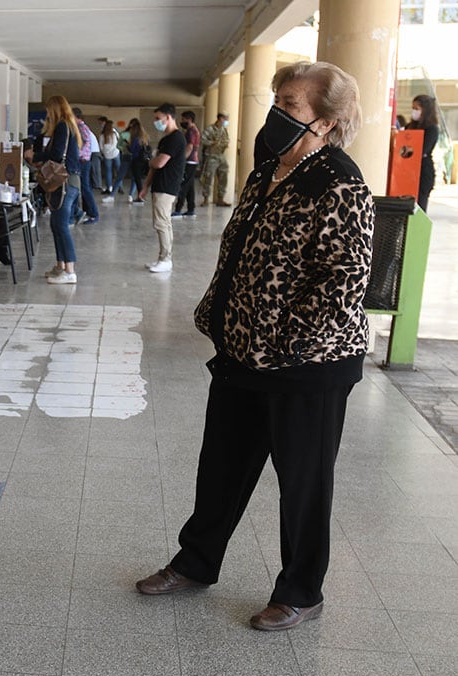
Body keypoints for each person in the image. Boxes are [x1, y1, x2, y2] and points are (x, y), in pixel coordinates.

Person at [135, 61, 374, 632]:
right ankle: (195, 563)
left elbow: (342, 281)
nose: (276, 113)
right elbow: (239, 252)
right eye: (279, 100)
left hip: (308, 364)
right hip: (244, 353)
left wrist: (285, 342)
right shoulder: (267, 170)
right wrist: (218, 313)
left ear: (327, 122)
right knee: (221, 467)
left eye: (291, 105)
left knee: (304, 483)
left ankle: (301, 591)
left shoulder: (341, 184)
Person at [33, 95, 82, 285]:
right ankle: (60, 265)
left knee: (61, 225)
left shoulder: (62, 126)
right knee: (55, 225)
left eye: (48, 110)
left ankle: (70, 270)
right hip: (69, 181)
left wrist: (35, 155)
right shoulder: (68, 126)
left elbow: (56, 154)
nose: (46, 114)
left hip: (64, 182)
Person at [140, 103, 186, 273]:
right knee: (162, 223)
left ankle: (166, 259)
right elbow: (155, 166)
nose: (156, 122)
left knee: (162, 223)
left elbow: (159, 163)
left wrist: (150, 160)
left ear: (168, 117)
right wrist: (145, 186)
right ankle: (163, 257)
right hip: (160, 186)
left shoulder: (176, 138)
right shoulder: (166, 139)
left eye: (158, 119)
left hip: (167, 186)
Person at [406, 94, 440, 212]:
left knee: (419, 207)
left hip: (423, 171)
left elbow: (422, 150)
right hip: (407, 171)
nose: (414, 112)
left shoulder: (432, 129)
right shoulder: (410, 127)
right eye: (413, 108)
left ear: (425, 110)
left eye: (417, 109)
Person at [70, 108, 100, 225]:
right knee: (81, 188)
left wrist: (77, 153)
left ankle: (93, 213)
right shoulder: (79, 128)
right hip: (82, 160)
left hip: (83, 161)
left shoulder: (82, 128)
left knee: (85, 188)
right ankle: (85, 212)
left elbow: (86, 143)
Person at [200, 112, 231, 206]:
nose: (226, 121)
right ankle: (205, 199)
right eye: (225, 118)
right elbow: (203, 140)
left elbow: (226, 140)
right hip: (211, 156)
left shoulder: (224, 130)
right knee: (208, 177)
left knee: (223, 177)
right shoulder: (210, 129)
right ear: (220, 118)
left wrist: (225, 143)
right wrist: (212, 143)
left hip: (221, 155)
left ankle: (220, 198)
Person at [172, 110, 199, 217]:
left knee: (183, 185)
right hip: (194, 161)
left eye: (183, 119)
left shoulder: (191, 131)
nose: (181, 121)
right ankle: (191, 209)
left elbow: (190, 146)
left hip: (189, 161)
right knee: (190, 186)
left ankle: (178, 209)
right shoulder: (194, 129)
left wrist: (182, 159)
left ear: (189, 119)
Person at [125, 118, 151, 204]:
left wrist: (127, 144)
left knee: (137, 179)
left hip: (136, 160)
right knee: (141, 180)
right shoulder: (145, 137)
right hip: (144, 160)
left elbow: (132, 150)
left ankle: (140, 197)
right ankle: (142, 196)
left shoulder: (136, 138)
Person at [99, 119, 121, 201]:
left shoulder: (102, 135)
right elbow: (118, 141)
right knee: (119, 171)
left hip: (107, 155)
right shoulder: (114, 133)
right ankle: (120, 187)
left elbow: (100, 146)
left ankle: (109, 187)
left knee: (108, 172)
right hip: (115, 153)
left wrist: (104, 152)